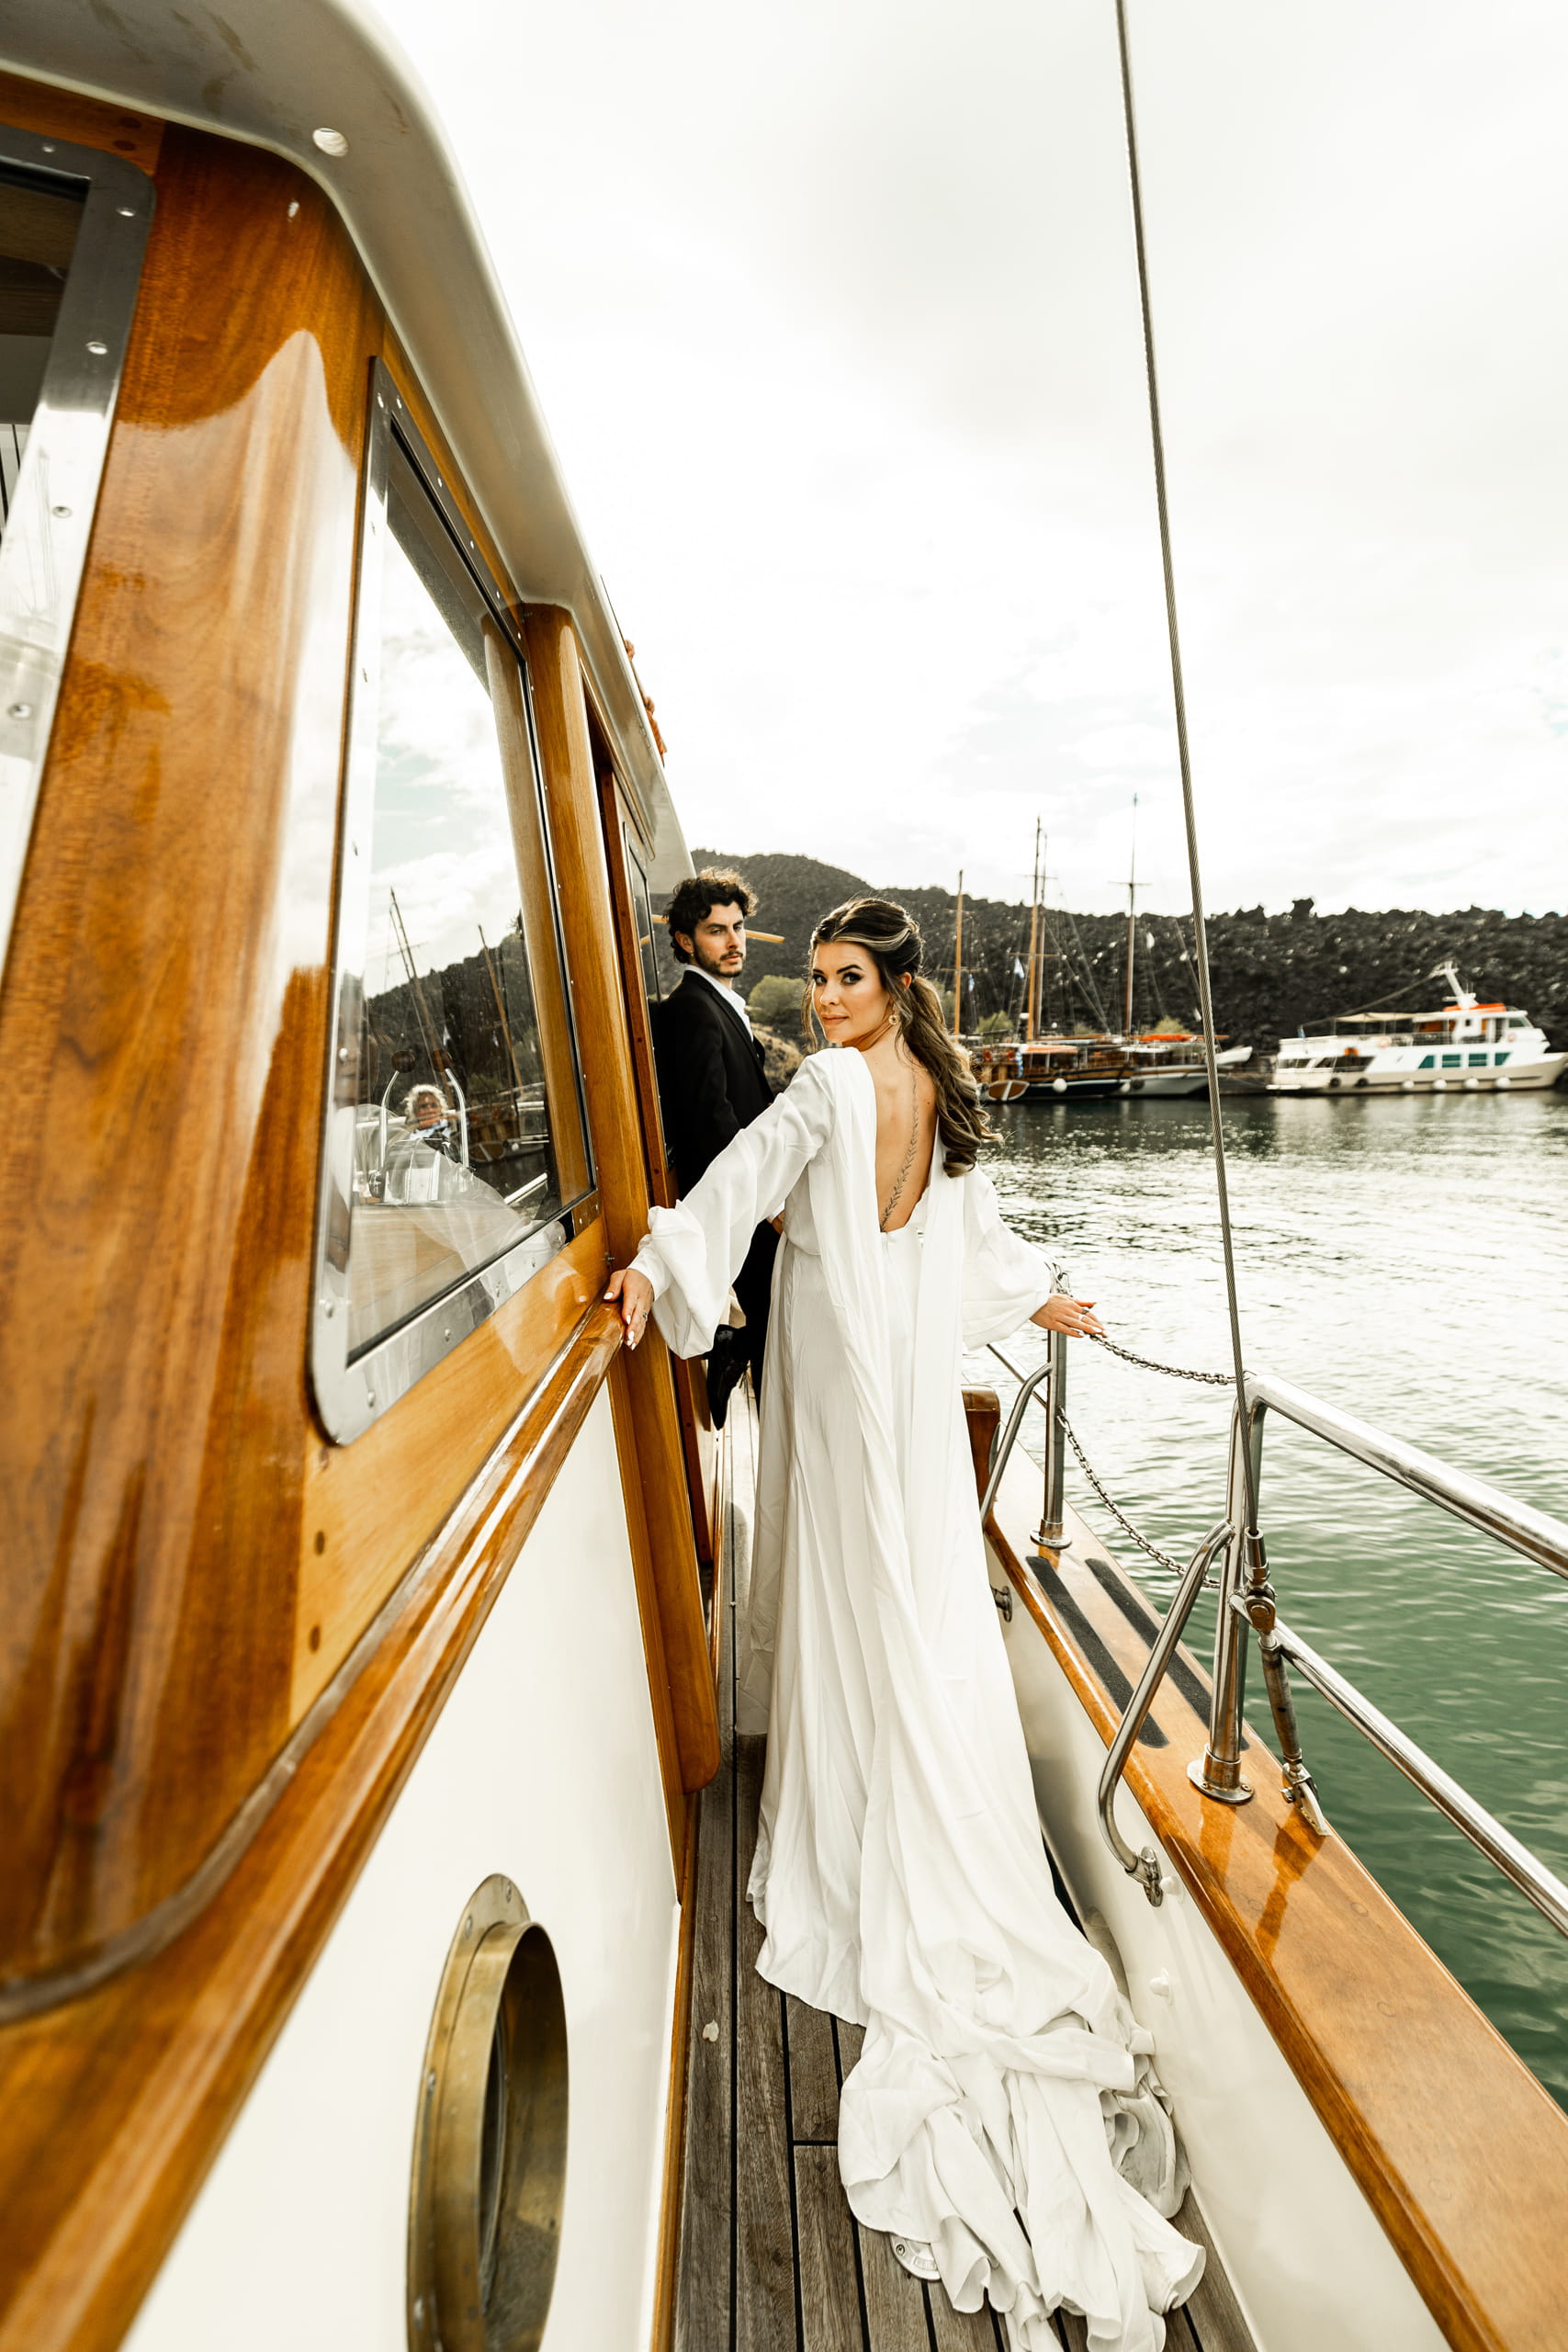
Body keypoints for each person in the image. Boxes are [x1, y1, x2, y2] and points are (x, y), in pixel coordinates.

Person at [608, 899, 1201, 2352]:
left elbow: (741, 1184)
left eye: (841, 979)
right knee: (906, 1593)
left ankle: (854, 1831)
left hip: (827, 1347)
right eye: (811, 979)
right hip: (898, 1374)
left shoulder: (820, 1088)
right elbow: (975, 1248)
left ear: (891, 986)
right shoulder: (934, 1092)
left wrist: (654, 1270)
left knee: (835, 1591)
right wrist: (1037, 1298)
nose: (819, 1000)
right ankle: (917, 1817)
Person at [651, 866, 778, 1425]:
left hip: (752, 1195)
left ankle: (734, 1347)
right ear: (685, 941)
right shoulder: (691, 1010)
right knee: (778, 1317)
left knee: (780, 1313)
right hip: (741, 1200)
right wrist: (765, 1200)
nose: (733, 942)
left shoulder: (720, 1003)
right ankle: (733, 1348)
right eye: (715, 931)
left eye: (737, 928)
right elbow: (712, 1119)